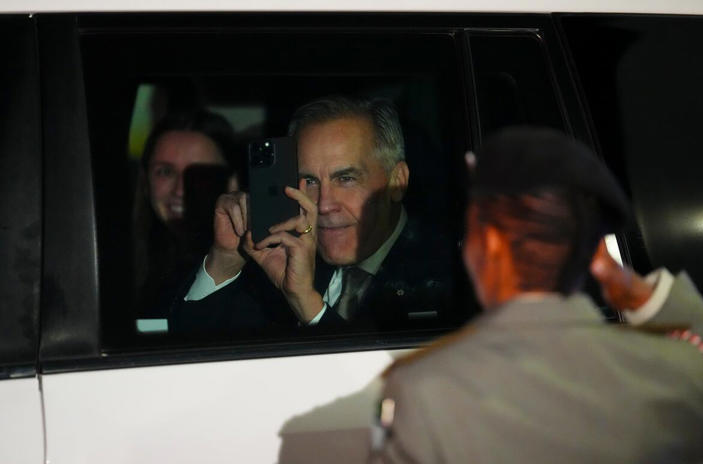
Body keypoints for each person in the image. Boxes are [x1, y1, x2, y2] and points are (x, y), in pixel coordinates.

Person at [368, 127, 703, 463]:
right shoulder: (679, 375)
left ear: (489, 245)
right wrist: (636, 291)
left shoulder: (423, 392)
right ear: (592, 252)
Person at [171, 96, 463, 333]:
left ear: (397, 181)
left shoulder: (453, 275)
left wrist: (308, 306)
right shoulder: (277, 265)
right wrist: (225, 260)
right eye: (309, 180)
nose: (323, 205)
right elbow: (183, 358)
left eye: (345, 178)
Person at [133, 109, 238, 319]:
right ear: (145, 182)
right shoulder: (115, 262)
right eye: (165, 172)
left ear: (231, 183)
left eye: (200, 175)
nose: (180, 190)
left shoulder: (261, 271)